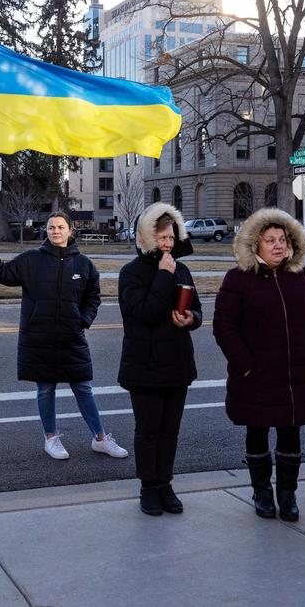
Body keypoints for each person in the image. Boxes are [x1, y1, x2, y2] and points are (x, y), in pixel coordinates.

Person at [0, 213, 127, 460]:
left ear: (70, 231)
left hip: (71, 338)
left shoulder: (84, 265)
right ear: (45, 231)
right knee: (45, 389)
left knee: (83, 387)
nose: (55, 231)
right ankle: (51, 438)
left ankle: (100, 438)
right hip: (39, 338)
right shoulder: (32, 260)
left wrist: (84, 320)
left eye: (60, 227)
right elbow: (1, 273)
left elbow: (93, 297)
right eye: (50, 227)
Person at [214, 208, 305, 522]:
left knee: (291, 434)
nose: (278, 245)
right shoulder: (238, 279)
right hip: (256, 375)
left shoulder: (299, 275)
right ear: (255, 245)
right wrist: (246, 365)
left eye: (282, 239)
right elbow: (224, 327)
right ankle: (261, 490)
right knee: (257, 431)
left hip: (295, 375)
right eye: (270, 240)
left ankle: (287, 494)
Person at [117, 203, 202, 516]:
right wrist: (164, 277)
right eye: (162, 237)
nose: (167, 243)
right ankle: (148, 487)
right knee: (148, 430)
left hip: (177, 363)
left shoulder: (182, 269)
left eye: (171, 237)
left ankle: (165, 483)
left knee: (170, 430)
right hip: (145, 365)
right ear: (147, 237)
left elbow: (198, 310)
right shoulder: (131, 273)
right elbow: (144, 314)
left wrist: (191, 317)